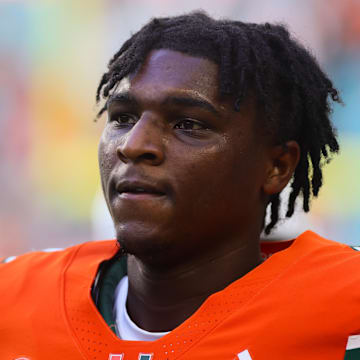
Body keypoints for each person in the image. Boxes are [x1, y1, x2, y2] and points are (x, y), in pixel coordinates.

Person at [1, 11, 359, 360]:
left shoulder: (345, 304)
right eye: (122, 118)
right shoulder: (14, 297)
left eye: (188, 124)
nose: (133, 145)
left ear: (276, 167)